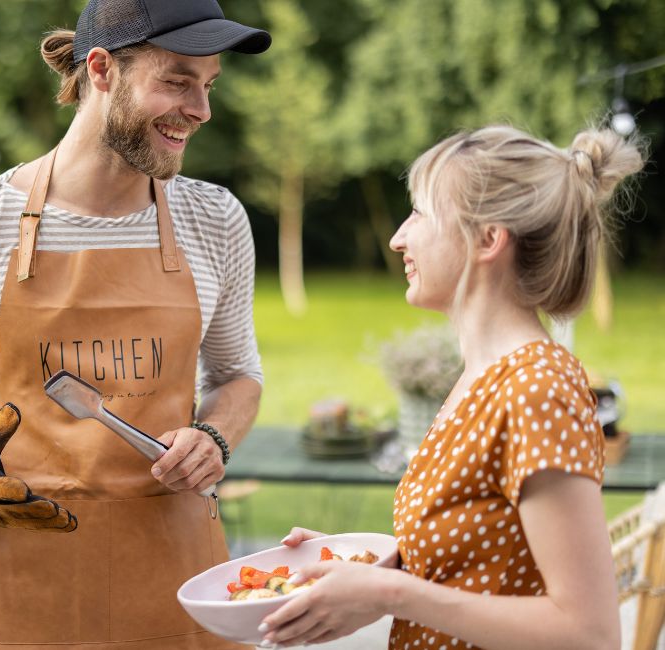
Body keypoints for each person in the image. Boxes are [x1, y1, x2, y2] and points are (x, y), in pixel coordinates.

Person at [0, 1, 269, 648]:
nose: (201, 109)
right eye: (177, 81)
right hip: (25, 590)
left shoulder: (215, 220)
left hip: (180, 585)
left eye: (208, 84)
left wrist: (214, 438)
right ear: (103, 70)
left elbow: (237, 375)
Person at [258, 125, 645, 650]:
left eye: (418, 212)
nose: (398, 237)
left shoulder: (537, 388)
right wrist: (361, 569)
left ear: (488, 238)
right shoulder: (480, 377)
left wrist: (392, 591)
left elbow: (589, 633)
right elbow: (488, 553)